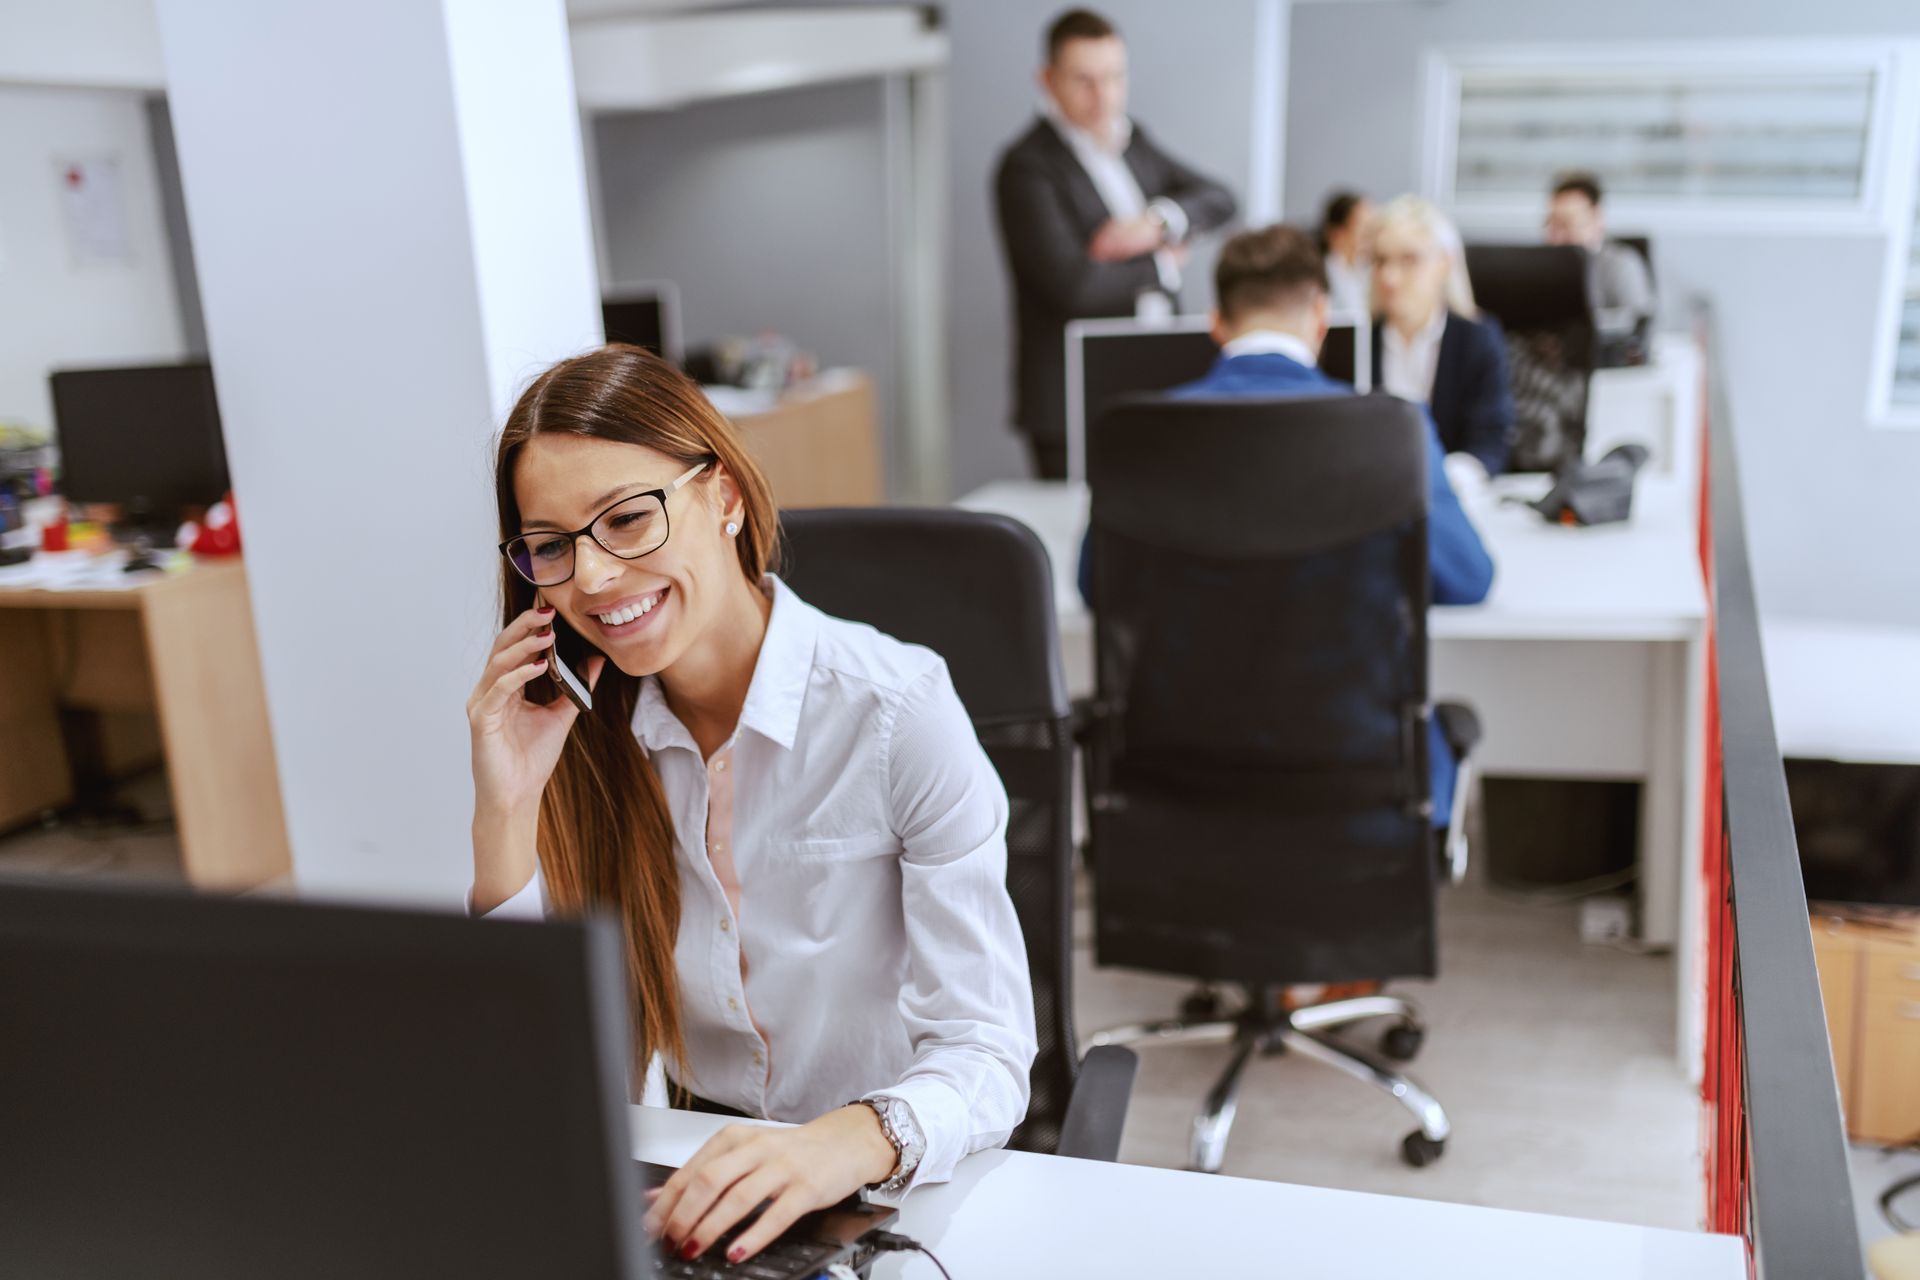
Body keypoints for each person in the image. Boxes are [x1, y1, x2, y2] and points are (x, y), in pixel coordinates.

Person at [468, 346, 1036, 1265]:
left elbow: (987, 1050)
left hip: (888, 1172)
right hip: (696, 1176)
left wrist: (834, 1147)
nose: (596, 577)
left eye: (626, 519)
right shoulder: (580, 736)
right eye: (555, 544)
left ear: (724, 498)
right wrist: (505, 810)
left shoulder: (895, 712)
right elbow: (535, 1075)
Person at [1077, 224, 1493, 826]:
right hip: (1357, 783)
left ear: (1217, 321)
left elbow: (1098, 585)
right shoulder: (1391, 432)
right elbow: (1469, 580)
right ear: (1321, 316)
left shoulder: (1137, 436)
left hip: (1178, 790)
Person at [993, 7, 1237, 480]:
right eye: (1084, 80)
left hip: (1154, 383)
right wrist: (1162, 267)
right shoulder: (1026, 168)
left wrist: (1156, 223)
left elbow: (1221, 198)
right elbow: (1074, 286)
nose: (1102, 96)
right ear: (1047, 78)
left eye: (1113, 77)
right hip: (1071, 400)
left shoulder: (1133, 141)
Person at [1368, 195, 1514, 476]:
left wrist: (1446, 480)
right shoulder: (1358, 342)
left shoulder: (1476, 339)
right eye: (1380, 260)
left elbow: (1490, 440)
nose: (1390, 278)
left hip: (1449, 493)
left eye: (1409, 260)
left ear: (1445, 264)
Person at [1544, 170, 1656, 345]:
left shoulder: (1622, 262)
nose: (1556, 237)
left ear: (1596, 219)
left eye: (1566, 225)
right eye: (1551, 225)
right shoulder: (1542, 267)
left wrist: (1577, 324)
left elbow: (1637, 318)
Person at [1317, 189, 1372, 316]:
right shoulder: (1319, 278)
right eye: (1365, 230)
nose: (1370, 238)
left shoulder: (1370, 272)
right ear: (1336, 235)